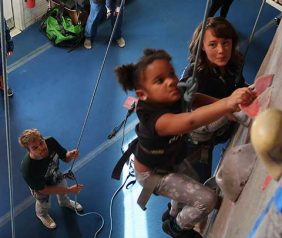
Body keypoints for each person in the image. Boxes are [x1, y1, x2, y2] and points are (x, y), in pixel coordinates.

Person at [114, 48, 254, 238]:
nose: (171, 81)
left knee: (186, 184)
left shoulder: (172, 92)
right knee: (208, 200)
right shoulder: (157, 121)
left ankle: (172, 211)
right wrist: (227, 103)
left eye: (171, 74)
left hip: (170, 158)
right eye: (160, 81)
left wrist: (226, 107)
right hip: (153, 174)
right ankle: (177, 226)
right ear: (143, 94)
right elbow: (191, 121)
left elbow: (196, 98)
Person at [180, 17, 246, 184]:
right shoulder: (195, 74)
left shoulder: (234, 62)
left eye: (226, 42)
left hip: (227, 125)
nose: (221, 50)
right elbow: (183, 97)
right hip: (198, 140)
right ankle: (172, 211)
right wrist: (225, 105)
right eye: (213, 44)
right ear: (202, 46)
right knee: (196, 186)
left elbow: (238, 84)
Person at [19, 129, 84, 229]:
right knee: (43, 201)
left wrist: (70, 155)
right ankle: (42, 214)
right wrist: (69, 190)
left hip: (54, 173)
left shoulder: (50, 142)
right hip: (40, 185)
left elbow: (65, 158)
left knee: (62, 185)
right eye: (35, 148)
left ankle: (64, 202)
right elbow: (43, 189)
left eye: (41, 142)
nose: (41, 148)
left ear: (43, 138)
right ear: (29, 150)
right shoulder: (28, 169)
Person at [0, 18, 14, 97]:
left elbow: (7, 32)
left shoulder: (1, 17)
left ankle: (3, 84)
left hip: (1, 48)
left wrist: (10, 46)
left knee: (2, 67)